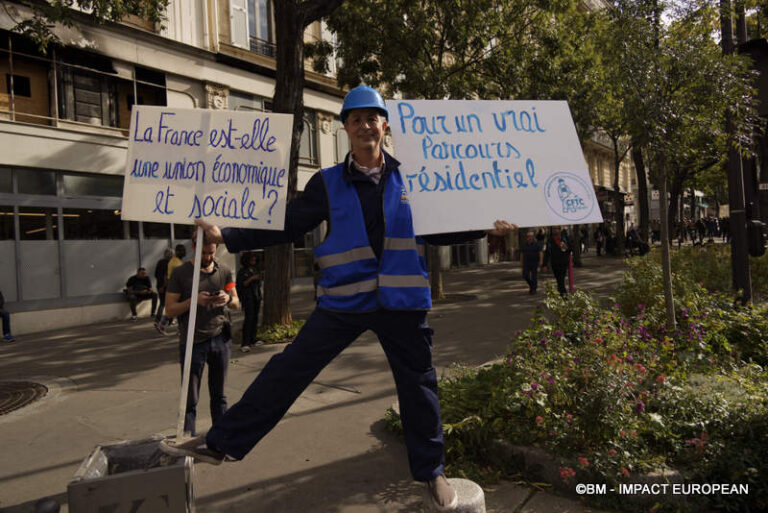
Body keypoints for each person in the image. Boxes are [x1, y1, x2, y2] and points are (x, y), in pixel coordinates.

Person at [160, 85, 516, 511]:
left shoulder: (414, 178)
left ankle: (432, 472)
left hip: (402, 305)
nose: (366, 126)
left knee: (419, 387)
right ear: (345, 127)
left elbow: (440, 227)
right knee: (287, 369)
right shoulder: (326, 183)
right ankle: (223, 443)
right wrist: (228, 235)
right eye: (357, 119)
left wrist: (485, 228)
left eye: (373, 118)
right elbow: (287, 225)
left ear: (385, 126)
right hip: (344, 304)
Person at [164, 237, 239, 436]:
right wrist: (193, 301)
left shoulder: (224, 271)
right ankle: (188, 439)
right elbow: (170, 310)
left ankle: (221, 439)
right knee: (190, 398)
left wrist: (228, 298)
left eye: (211, 252)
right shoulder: (180, 273)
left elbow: (236, 303)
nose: (207, 257)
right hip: (192, 341)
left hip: (220, 338)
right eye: (203, 253)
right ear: (194, 248)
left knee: (219, 395)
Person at [156, 244, 187, 332]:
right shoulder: (176, 263)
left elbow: (167, 275)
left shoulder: (175, 261)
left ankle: (164, 323)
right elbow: (171, 276)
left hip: (175, 287)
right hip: (177, 288)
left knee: (175, 308)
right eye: (181, 250)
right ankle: (164, 323)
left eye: (184, 250)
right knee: (178, 308)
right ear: (176, 252)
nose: (184, 252)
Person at [236, 251, 263, 353]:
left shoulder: (255, 269)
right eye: (252, 259)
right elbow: (242, 284)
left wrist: (258, 280)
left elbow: (258, 283)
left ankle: (253, 339)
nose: (254, 261)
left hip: (256, 296)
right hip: (248, 298)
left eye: (255, 259)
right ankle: (245, 343)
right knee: (249, 319)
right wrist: (252, 278)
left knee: (255, 318)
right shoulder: (242, 271)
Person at [542, 226, 572, 297]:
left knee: (561, 280)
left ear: (559, 230)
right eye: (553, 229)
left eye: (556, 229)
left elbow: (570, 249)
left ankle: (564, 297)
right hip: (554, 264)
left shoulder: (564, 238)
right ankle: (562, 296)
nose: (555, 230)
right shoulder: (550, 240)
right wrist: (544, 264)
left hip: (563, 263)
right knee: (559, 281)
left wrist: (566, 248)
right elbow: (547, 253)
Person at [154, 249, 173, 328]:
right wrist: (163, 285)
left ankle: (158, 318)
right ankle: (168, 320)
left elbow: (156, 274)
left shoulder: (160, 262)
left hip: (159, 285)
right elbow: (166, 276)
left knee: (162, 302)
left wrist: (160, 285)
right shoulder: (169, 263)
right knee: (169, 303)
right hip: (166, 286)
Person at [521, 230, 543, 294]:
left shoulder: (537, 244)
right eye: (528, 236)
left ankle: (533, 289)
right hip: (526, 263)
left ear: (533, 237)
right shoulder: (524, 245)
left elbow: (540, 253)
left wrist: (541, 262)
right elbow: (522, 254)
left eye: (531, 236)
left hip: (534, 262)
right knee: (525, 275)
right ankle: (532, 286)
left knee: (534, 277)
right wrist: (521, 262)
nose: (529, 238)